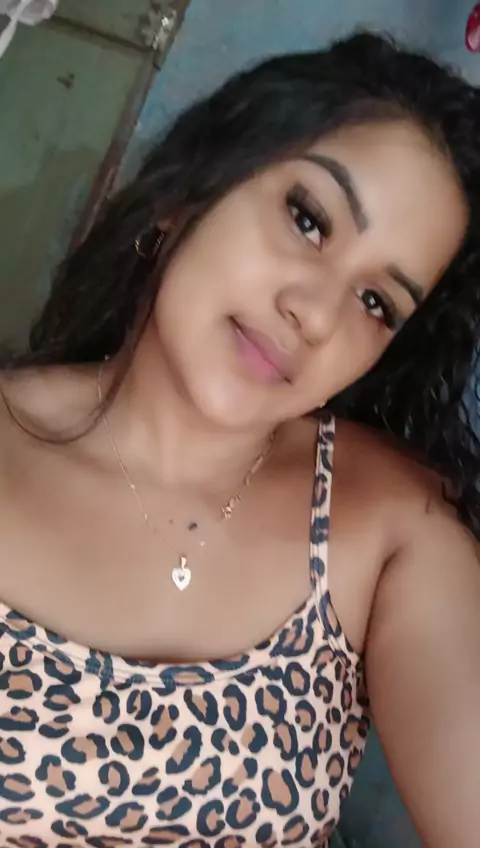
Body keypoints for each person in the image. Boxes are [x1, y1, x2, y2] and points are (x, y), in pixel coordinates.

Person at [0, 30, 479, 848]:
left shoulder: (393, 527)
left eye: (377, 303)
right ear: (191, 192)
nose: (315, 313)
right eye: (309, 220)